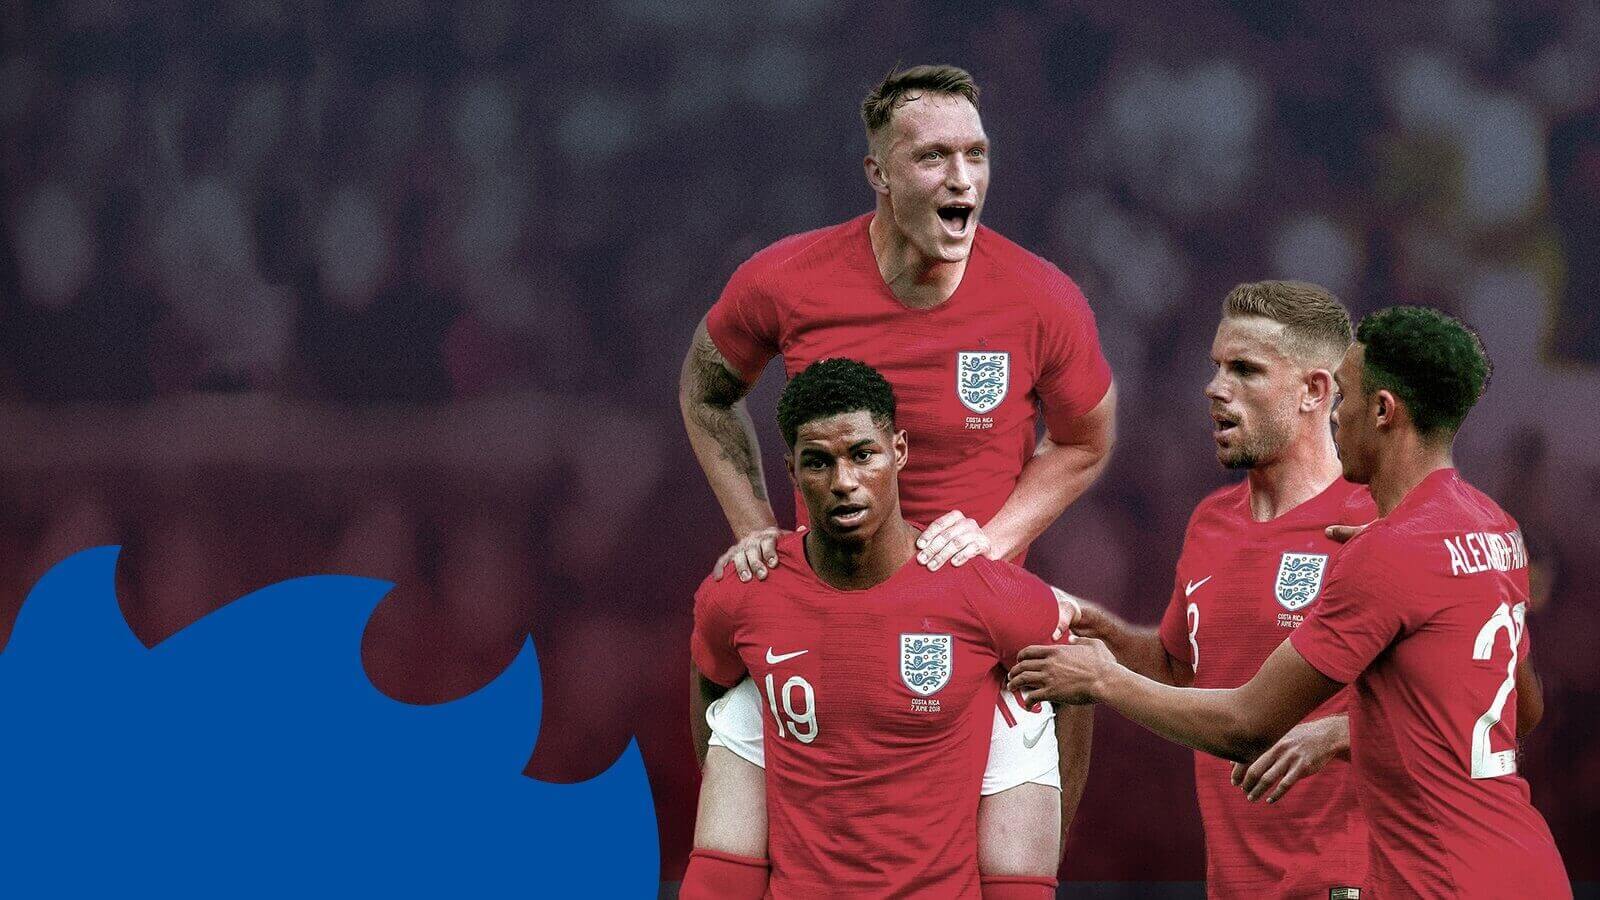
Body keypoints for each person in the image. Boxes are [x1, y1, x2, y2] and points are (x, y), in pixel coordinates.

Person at [677, 63, 1115, 882]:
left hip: (970, 638)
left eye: (976, 154)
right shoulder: (787, 280)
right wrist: (755, 532)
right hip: (820, 620)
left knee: (1056, 698)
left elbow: (1084, 439)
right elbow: (707, 391)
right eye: (934, 157)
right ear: (877, 173)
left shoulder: (1040, 298)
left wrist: (992, 541)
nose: (962, 178)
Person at [1011, 306, 1570, 898]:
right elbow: (1518, 709)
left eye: (1345, 397)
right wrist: (1344, 732)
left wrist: (1104, 679)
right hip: (1525, 868)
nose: (1337, 416)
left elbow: (1247, 725)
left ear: (1383, 411)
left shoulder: (1388, 552)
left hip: (1441, 884)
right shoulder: (1492, 527)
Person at [683, 359, 1066, 898]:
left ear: (898, 452)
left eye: (863, 455)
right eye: (818, 462)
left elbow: (1075, 684)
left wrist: (1052, 830)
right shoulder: (745, 592)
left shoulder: (983, 593)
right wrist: (737, 792)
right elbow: (709, 675)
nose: (844, 482)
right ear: (792, 471)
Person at [1051, 281, 1372, 896]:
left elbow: (1482, 709)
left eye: (1245, 370)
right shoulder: (1211, 522)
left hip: (1350, 883)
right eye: (1217, 367)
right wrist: (1113, 639)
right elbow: (1183, 672)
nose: (1215, 388)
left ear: (1314, 391)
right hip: (1235, 883)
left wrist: (1340, 734)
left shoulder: (1376, 523)